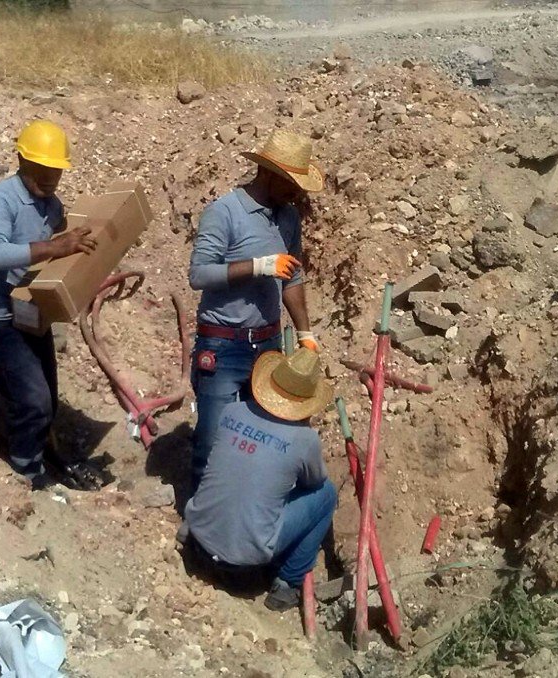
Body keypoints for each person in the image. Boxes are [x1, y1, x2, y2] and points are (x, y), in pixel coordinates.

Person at [188, 128, 325, 490]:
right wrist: (258, 266)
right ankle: (200, 523)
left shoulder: (289, 217)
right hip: (223, 344)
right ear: (267, 173)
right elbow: (199, 274)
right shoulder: (224, 212)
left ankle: (246, 512)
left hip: (268, 346)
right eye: (290, 183)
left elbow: (292, 279)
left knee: (263, 438)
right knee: (211, 441)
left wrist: (306, 334)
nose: (296, 192)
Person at [0, 119, 98, 490]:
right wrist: (55, 247)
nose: (51, 177)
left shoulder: (51, 205)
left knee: (47, 398)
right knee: (35, 400)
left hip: (29, 309)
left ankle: (39, 449)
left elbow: (62, 257)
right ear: (22, 161)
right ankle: (25, 472)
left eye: (56, 170)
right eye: (42, 169)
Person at [184, 347, 337, 611]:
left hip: (197, 542)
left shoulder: (233, 412)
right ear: (306, 403)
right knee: (326, 494)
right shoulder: (305, 440)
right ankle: (288, 582)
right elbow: (314, 482)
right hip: (241, 567)